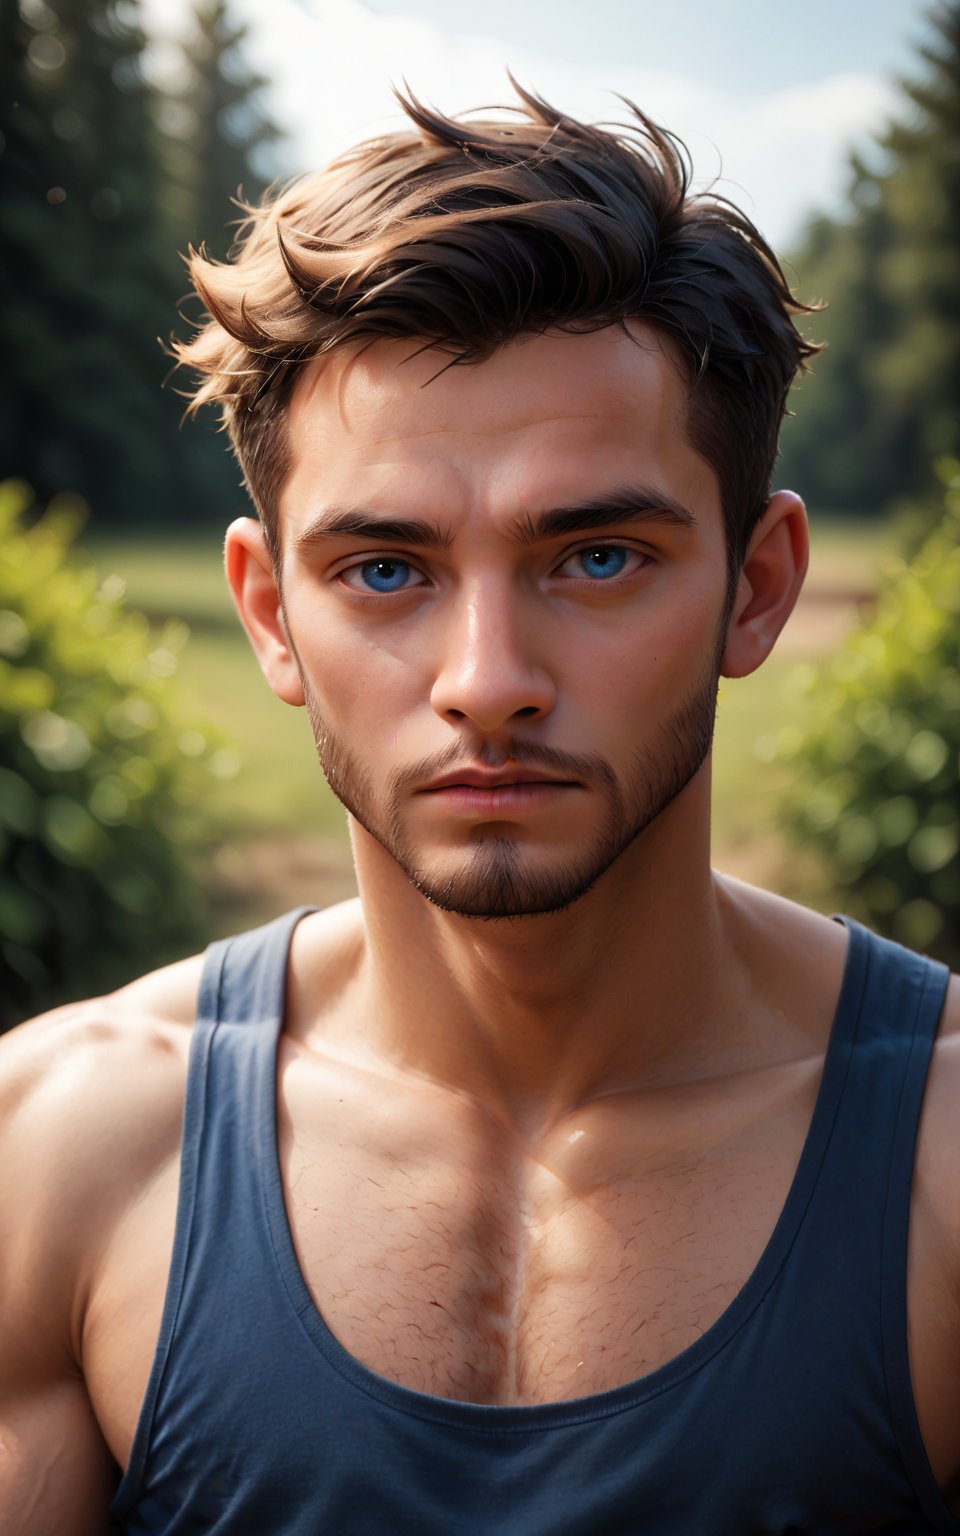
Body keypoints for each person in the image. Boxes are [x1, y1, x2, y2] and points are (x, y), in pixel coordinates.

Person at [1, 83, 957, 1535]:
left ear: (756, 587)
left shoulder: (944, 1156)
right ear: (269, 614)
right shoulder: (58, 1155)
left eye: (597, 558)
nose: (488, 681)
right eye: (385, 570)